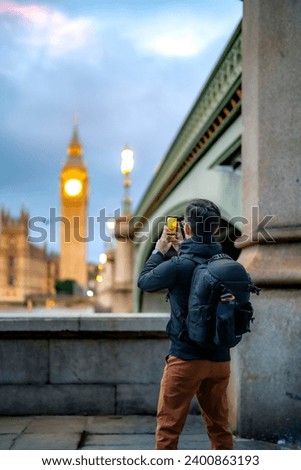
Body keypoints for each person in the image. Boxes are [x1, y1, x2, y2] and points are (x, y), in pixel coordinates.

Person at [137, 199, 233, 450]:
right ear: (214, 230)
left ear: (187, 229)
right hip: (220, 359)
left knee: (169, 429)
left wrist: (159, 250)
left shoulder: (179, 266)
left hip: (186, 359)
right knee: (220, 429)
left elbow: (145, 282)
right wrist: (185, 250)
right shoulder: (228, 264)